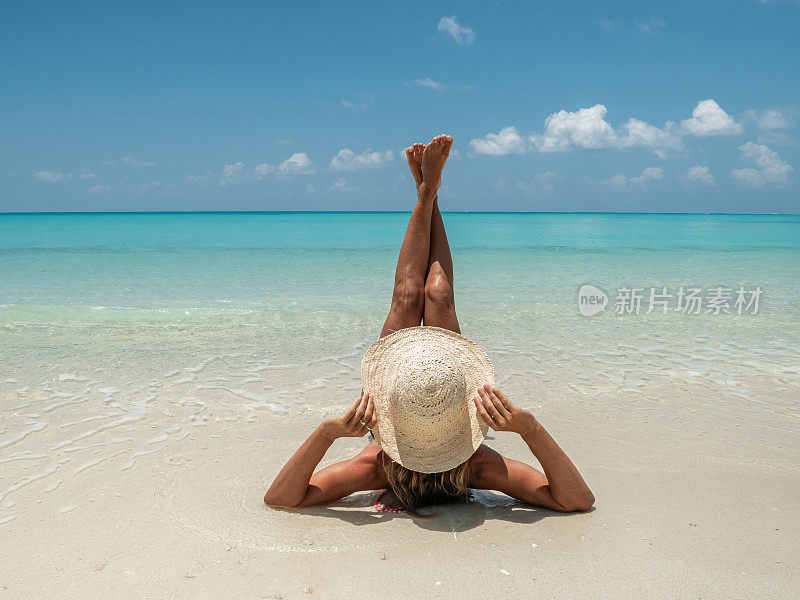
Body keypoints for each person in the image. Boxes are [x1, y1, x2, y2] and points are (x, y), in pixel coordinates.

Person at [264, 135, 594, 515]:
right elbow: (578, 500)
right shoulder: (474, 466)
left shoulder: (378, 466)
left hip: (415, 397)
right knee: (437, 295)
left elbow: (281, 498)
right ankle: (430, 191)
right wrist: (529, 428)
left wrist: (327, 433)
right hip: (413, 399)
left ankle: (426, 193)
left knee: (408, 295)